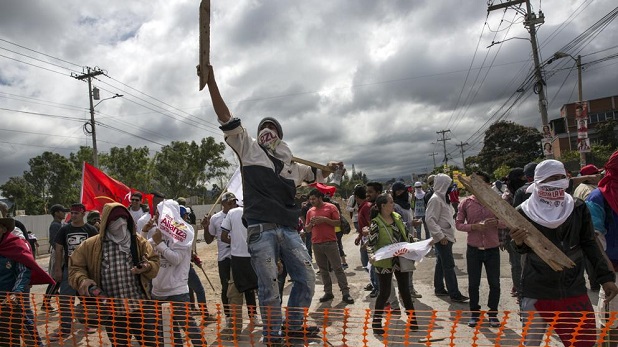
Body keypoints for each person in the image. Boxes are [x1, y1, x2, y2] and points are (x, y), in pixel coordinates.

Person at [206, 64, 317, 344]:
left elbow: (320, 176)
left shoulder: (293, 167)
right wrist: (211, 83)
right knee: (269, 288)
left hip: (289, 230)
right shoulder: (249, 148)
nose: (267, 130)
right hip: (261, 229)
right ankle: (272, 336)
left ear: (280, 134)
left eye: (272, 127)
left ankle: (292, 326)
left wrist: (333, 167)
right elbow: (225, 116)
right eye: (263, 127)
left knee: (306, 279)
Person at [511, 159, 618, 347]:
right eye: (552, 178)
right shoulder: (524, 211)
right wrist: (518, 242)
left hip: (573, 287)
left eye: (561, 178)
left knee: (583, 342)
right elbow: (520, 248)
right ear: (539, 182)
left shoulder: (577, 207)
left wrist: (605, 277)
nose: (557, 183)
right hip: (537, 289)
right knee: (531, 343)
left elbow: (589, 244)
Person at [69, 202, 161, 347]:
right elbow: (75, 267)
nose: (120, 224)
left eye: (124, 219)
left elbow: (155, 262)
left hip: (141, 307)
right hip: (112, 311)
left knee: (153, 343)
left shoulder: (138, 242)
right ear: (106, 222)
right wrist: (83, 280)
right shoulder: (90, 245)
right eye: (114, 221)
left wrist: (148, 267)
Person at [149, 200, 207, 347]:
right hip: (158, 291)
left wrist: (160, 244)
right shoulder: (158, 232)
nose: (155, 216)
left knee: (189, 327)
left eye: (158, 213)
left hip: (177, 291)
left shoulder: (183, 233)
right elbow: (145, 248)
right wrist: (144, 231)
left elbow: (176, 259)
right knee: (168, 332)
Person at [455, 171, 505, 327]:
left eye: (480, 183)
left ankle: (493, 314)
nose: (476, 186)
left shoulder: (496, 202)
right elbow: (458, 224)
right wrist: (474, 227)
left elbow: (507, 221)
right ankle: (475, 314)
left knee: (494, 283)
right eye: (474, 183)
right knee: (473, 284)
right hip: (474, 249)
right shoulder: (466, 203)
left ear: (488, 185)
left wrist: (496, 223)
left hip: (492, 249)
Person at [367, 193, 418, 335]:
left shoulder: (397, 217)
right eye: (390, 202)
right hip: (384, 262)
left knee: (405, 290)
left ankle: (412, 320)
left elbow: (406, 235)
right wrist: (371, 255)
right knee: (384, 293)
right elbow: (370, 244)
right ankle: (376, 323)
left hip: (400, 259)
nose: (393, 204)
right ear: (383, 206)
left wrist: (419, 244)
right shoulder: (376, 223)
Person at [0, 216, 54, 347]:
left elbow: (23, 271)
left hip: (10, 298)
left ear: (3, 229)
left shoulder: (15, 244)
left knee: (21, 324)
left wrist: (16, 293)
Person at [49, 203, 99, 342]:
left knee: (87, 298)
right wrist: (58, 268)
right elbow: (58, 249)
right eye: (72, 213)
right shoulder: (64, 230)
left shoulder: (91, 230)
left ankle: (91, 323)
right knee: (65, 299)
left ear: (83, 214)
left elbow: (97, 249)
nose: (74, 215)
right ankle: (65, 328)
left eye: (77, 213)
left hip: (86, 270)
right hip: (69, 270)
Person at [586, 150, 618, 345]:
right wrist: (606, 273)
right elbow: (593, 239)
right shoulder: (598, 198)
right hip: (614, 273)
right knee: (611, 326)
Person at [305, 189, 354, 305]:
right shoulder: (309, 211)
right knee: (323, 270)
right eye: (310, 199)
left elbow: (338, 223)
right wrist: (311, 224)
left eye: (313, 199)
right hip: (316, 244)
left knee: (338, 268)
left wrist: (325, 220)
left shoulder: (331, 207)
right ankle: (328, 292)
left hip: (330, 242)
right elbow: (307, 229)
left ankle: (345, 293)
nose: (311, 201)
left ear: (320, 198)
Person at [427, 173, 468, 303]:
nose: (451, 187)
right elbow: (430, 220)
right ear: (443, 185)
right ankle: (454, 294)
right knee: (449, 266)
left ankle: (439, 288)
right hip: (443, 238)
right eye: (449, 185)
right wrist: (440, 236)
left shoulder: (443, 198)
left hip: (446, 236)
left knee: (441, 263)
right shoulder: (435, 199)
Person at [221, 203, 259, 336]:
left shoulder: (232, 213)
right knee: (264, 293)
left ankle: (236, 331)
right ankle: (270, 328)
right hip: (255, 257)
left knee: (234, 296)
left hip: (238, 260)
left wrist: (236, 242)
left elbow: (223, 236)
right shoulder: (256, 209)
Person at [202, 192, 236, 325]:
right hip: (224, 258)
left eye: (234, 202)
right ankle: (228, 316)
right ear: (222, 204)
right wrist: (205, 227)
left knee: (244, 286)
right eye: (230, 202)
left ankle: (252, 315)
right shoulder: (215, 218)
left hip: (239, 256)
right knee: (225, 287)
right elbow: (208, 240)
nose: (233, 205)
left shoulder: (240, 214)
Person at [41, 203, 69, 312]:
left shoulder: (60, 224)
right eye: (62, 211)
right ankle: (45, 303)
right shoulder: (55, 225)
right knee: (55, 279)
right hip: (58, 254)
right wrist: (60, 253)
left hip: (61, 253)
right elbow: (53, 241)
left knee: (58, 280)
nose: (64, 213)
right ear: (56, 213)